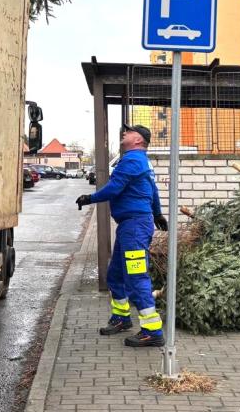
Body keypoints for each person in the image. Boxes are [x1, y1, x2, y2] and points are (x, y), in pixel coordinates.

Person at [76, 124, 168, 347]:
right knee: (116, 274)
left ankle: (152, 331)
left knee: (136, 277)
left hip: (134, 227)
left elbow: (114, 187)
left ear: (138, 140)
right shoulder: (142, 161)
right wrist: (157, 213)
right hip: (131, 226)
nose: (124, 134)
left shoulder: (132, 159)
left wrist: (90, 198)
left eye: (128, 132)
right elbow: (153, 191)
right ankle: (121, 318)